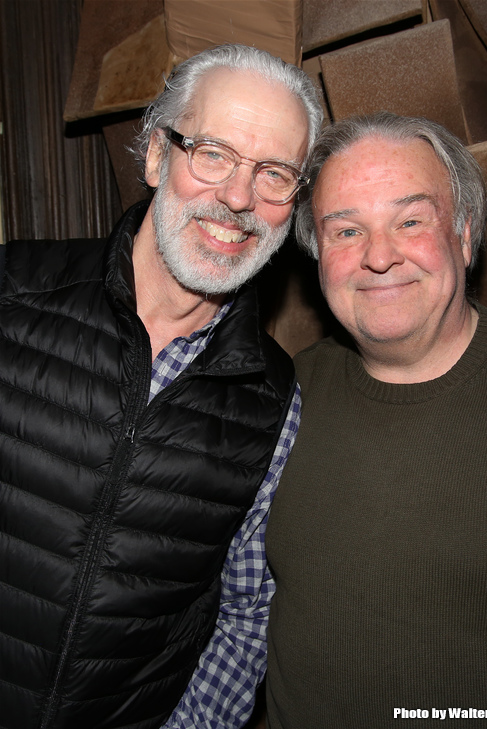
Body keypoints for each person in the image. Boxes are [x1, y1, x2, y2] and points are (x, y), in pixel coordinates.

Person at [0, 44, 322, 729]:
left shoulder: (272, 405)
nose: (238, 197)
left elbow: (247, 616)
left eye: (273, 174)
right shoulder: (10, 295)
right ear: (154, 154)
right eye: (212, 152)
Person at [265, 112, 487, 728]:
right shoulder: (279, 400)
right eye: (345, 231)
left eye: (411, 221)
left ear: (466, 235)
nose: (378, 257)